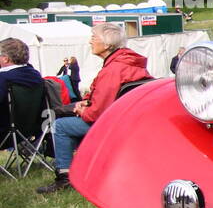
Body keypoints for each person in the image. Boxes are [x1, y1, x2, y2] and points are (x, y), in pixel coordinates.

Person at [36, 23, 150, 193]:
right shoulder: (129, 63)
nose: (90, 41)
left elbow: (97, 114)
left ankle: (65, 177)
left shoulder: (112, 69)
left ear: (107, 44)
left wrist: (81, 109)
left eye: (93, 37)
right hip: (129, 121)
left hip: (113, 124)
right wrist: (87, 102)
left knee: (60, 126)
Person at [0, 38, 43, 135]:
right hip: (30, 131)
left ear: (5, 58)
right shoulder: (36, 75)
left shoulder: (3, 78)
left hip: (5, 132)